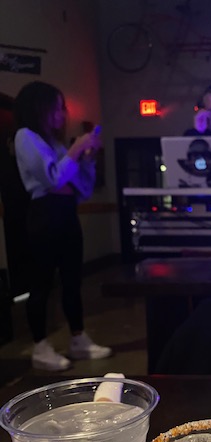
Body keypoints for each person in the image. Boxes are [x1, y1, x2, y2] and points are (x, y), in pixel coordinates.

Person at [13, 81, 112, 371]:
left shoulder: (54, 143)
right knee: (42, 282)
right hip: (44, 213)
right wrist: (76, 148)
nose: (61, 114)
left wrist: (87, 159)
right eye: (56, 108)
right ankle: (40, 346)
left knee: (72, 280)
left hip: (66, 211)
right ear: (39, 108)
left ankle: (78, 338)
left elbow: (82, 189)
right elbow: (53, 179)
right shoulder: (26, 136)